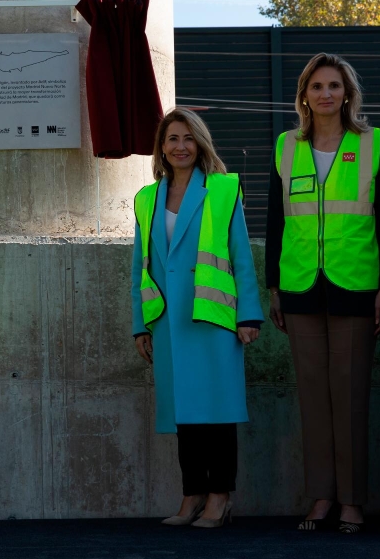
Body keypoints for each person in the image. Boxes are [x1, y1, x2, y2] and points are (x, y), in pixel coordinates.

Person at [265, 53, 380, 534]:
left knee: (350, 397)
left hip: (357, 287)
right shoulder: (285, 146)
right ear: (304, 94)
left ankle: (351, 502)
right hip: (300, 287)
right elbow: (276, 221)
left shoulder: (372, 142)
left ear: (348, 94)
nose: (326, 94)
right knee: (313, 399)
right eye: (317, 86)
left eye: (335, 86)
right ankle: (320, 497)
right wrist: (274, 287)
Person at [130, 107, 264, 529]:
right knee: (183, 412)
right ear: (162, 147)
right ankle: (191, 496)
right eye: (172, 138)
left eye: (188, 137)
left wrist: (249, 316)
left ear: (200, 143)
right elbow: (140, 265)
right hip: (169, 320)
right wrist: (140, 323)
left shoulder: (223, 189)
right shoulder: (146, 198)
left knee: (217, 411)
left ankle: (219, 497)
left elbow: (242, 257)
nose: (181, 146)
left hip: (213, 316)